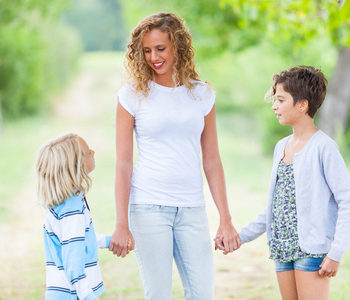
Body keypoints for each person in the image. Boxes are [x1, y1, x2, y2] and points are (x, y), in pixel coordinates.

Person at [109, 12, 241, 300]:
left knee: (202, 294)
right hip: (148, 208)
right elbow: (123, 163)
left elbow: (213, 161)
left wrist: (225, 218)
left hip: (192, 208)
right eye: (146, 50)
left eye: (160, 48)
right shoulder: (132, 95)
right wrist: (122, 223)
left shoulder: (202, 94)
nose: (153, 57)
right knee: (158, 295)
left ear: (178, 47)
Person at [216, 66, 350, 299]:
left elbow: (348, 202)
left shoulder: (324, 148)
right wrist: (240, 237)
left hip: (311, 251)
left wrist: (336, 253)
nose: (274, 106)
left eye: (281, 100)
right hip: (282, 250)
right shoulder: (281, 147)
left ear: (302, 105)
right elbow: (276, 207)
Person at [36, 133, 119, 300]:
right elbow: (72, 258)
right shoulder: (71, 209)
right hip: (73, 294)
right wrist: (87, 295)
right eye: (88, 152)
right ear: (76, 165)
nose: (93, 152)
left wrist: (109, 242)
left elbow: (78, 238)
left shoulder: (65, 203)